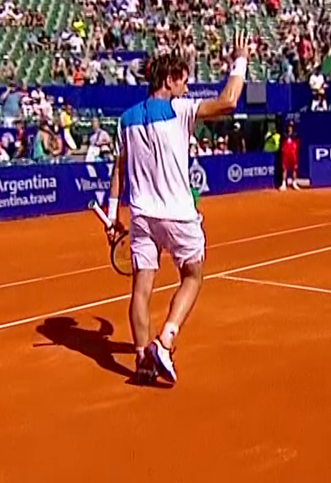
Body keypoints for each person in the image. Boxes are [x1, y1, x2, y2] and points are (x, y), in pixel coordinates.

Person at [103, 32, 249, 385]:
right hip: (178, 215)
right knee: (193, 276)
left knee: (141, 288)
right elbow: (229, 101)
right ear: (168, 80)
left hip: (142, 217)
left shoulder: (125, 120)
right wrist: (240, 60)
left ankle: (142, 359)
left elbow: (119, 169)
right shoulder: (179, 109)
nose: (186, 88)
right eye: (183, 81)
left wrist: (112, 214)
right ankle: (165, 340)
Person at [279, 120, 299, 191]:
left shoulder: (295, 135)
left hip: (293, 154)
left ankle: (294, 183)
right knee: (284, 169)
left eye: (291, 127)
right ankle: (283, 184)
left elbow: (297, 144)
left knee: (294, 169)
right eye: (289, 127)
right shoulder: (284, 135)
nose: (290, 128)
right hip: (285, 154)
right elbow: (281, 144)